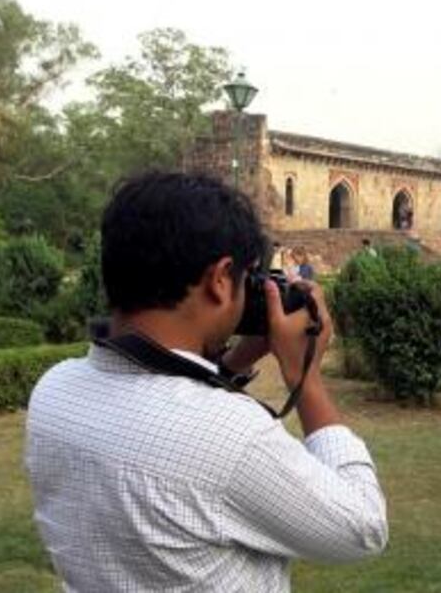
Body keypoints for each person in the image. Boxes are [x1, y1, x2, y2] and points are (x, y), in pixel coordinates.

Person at [25, 172, 387, 591]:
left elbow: (166, 401)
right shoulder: (232, 436)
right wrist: (305, 378)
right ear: (220, 279)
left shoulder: (54, 389)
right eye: (248, 281)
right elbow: (362, 530)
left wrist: (231, 364)